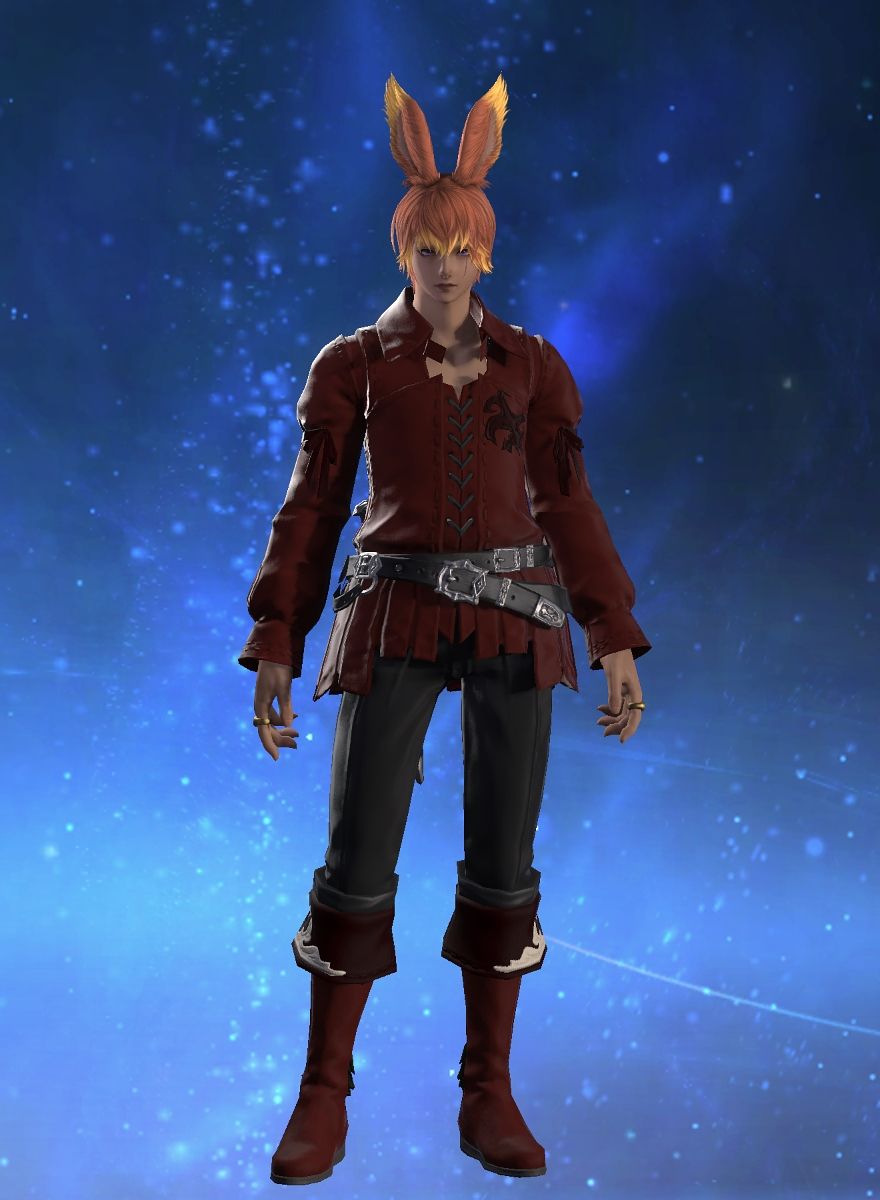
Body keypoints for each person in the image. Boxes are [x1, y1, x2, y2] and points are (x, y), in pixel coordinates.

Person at [238, 72, 651, 1186]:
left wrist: (612, 631)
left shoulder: (533, 366)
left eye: (461, 247)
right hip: (392, 612)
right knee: (356, 854)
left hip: (519, 622)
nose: (445, 265)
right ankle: (324, 1093)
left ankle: (488, 1090)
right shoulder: (352, 367)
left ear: (486, 254)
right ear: (403, 250)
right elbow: (311, 508)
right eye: (428, 247)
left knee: (506, 860)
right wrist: (277, 637)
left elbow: (569, 504)